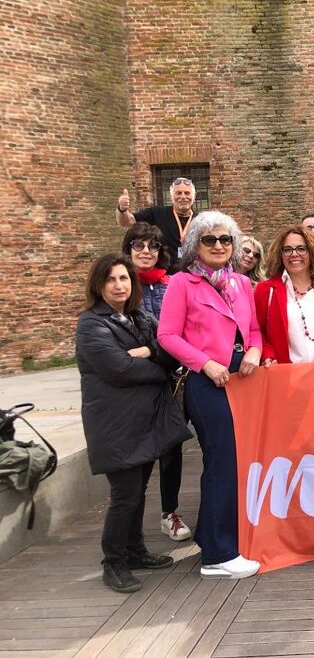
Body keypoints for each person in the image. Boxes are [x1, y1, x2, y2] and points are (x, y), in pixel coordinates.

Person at [158, 211, 264, 579]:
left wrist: (253, 350)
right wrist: (205, 364)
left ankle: (211, 535)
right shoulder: (182, 283)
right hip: (206, 382)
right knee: (222, 462)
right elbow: (167, 336)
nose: (218, 246)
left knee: (237, 460)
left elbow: (253, 329)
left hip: (242, 379)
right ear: (195, 246)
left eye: (225, 240)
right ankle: (218, 555)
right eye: (210, 240)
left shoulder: (240, 283)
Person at [76, 253, 190, 593]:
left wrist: (148, 353)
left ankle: (135, 550)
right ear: (99, 285)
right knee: (124, 494)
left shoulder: (140, 317)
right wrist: (158, 364)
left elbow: (170, 351)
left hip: (143, 421)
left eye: (124, 278)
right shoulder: (91, 324)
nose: (119, 285)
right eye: (111, 279)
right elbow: (119, 369)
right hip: (114, 424)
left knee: (138, 491)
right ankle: (113, 562)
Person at [121, 223, 191, 543]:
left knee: (171, 448)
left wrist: (153, 349)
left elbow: (181, 332)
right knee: (139, 455)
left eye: (152, 246)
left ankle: (169, 512)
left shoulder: (173, 285)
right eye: (138, 246)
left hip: (172, 379)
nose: (146, 252)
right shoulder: (122, 286)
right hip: (136, 383)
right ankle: (130, 524)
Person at [254, 226, 314, 365]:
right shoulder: (265, 290)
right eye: (287, 249)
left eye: (301, 248)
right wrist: (268, 355)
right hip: (283, 377)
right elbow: (256, 331)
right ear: (280, 254)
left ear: (312, 252)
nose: (294, 254)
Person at [116, 178, 197, 269]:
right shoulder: (157, 213)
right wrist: (122, 209)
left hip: (192, 273)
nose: (183, 197)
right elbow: (127, 221)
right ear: (171, 197)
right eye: (178, 193)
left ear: (193, 197)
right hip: (163, 276)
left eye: (187, 193)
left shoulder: (200, 220)